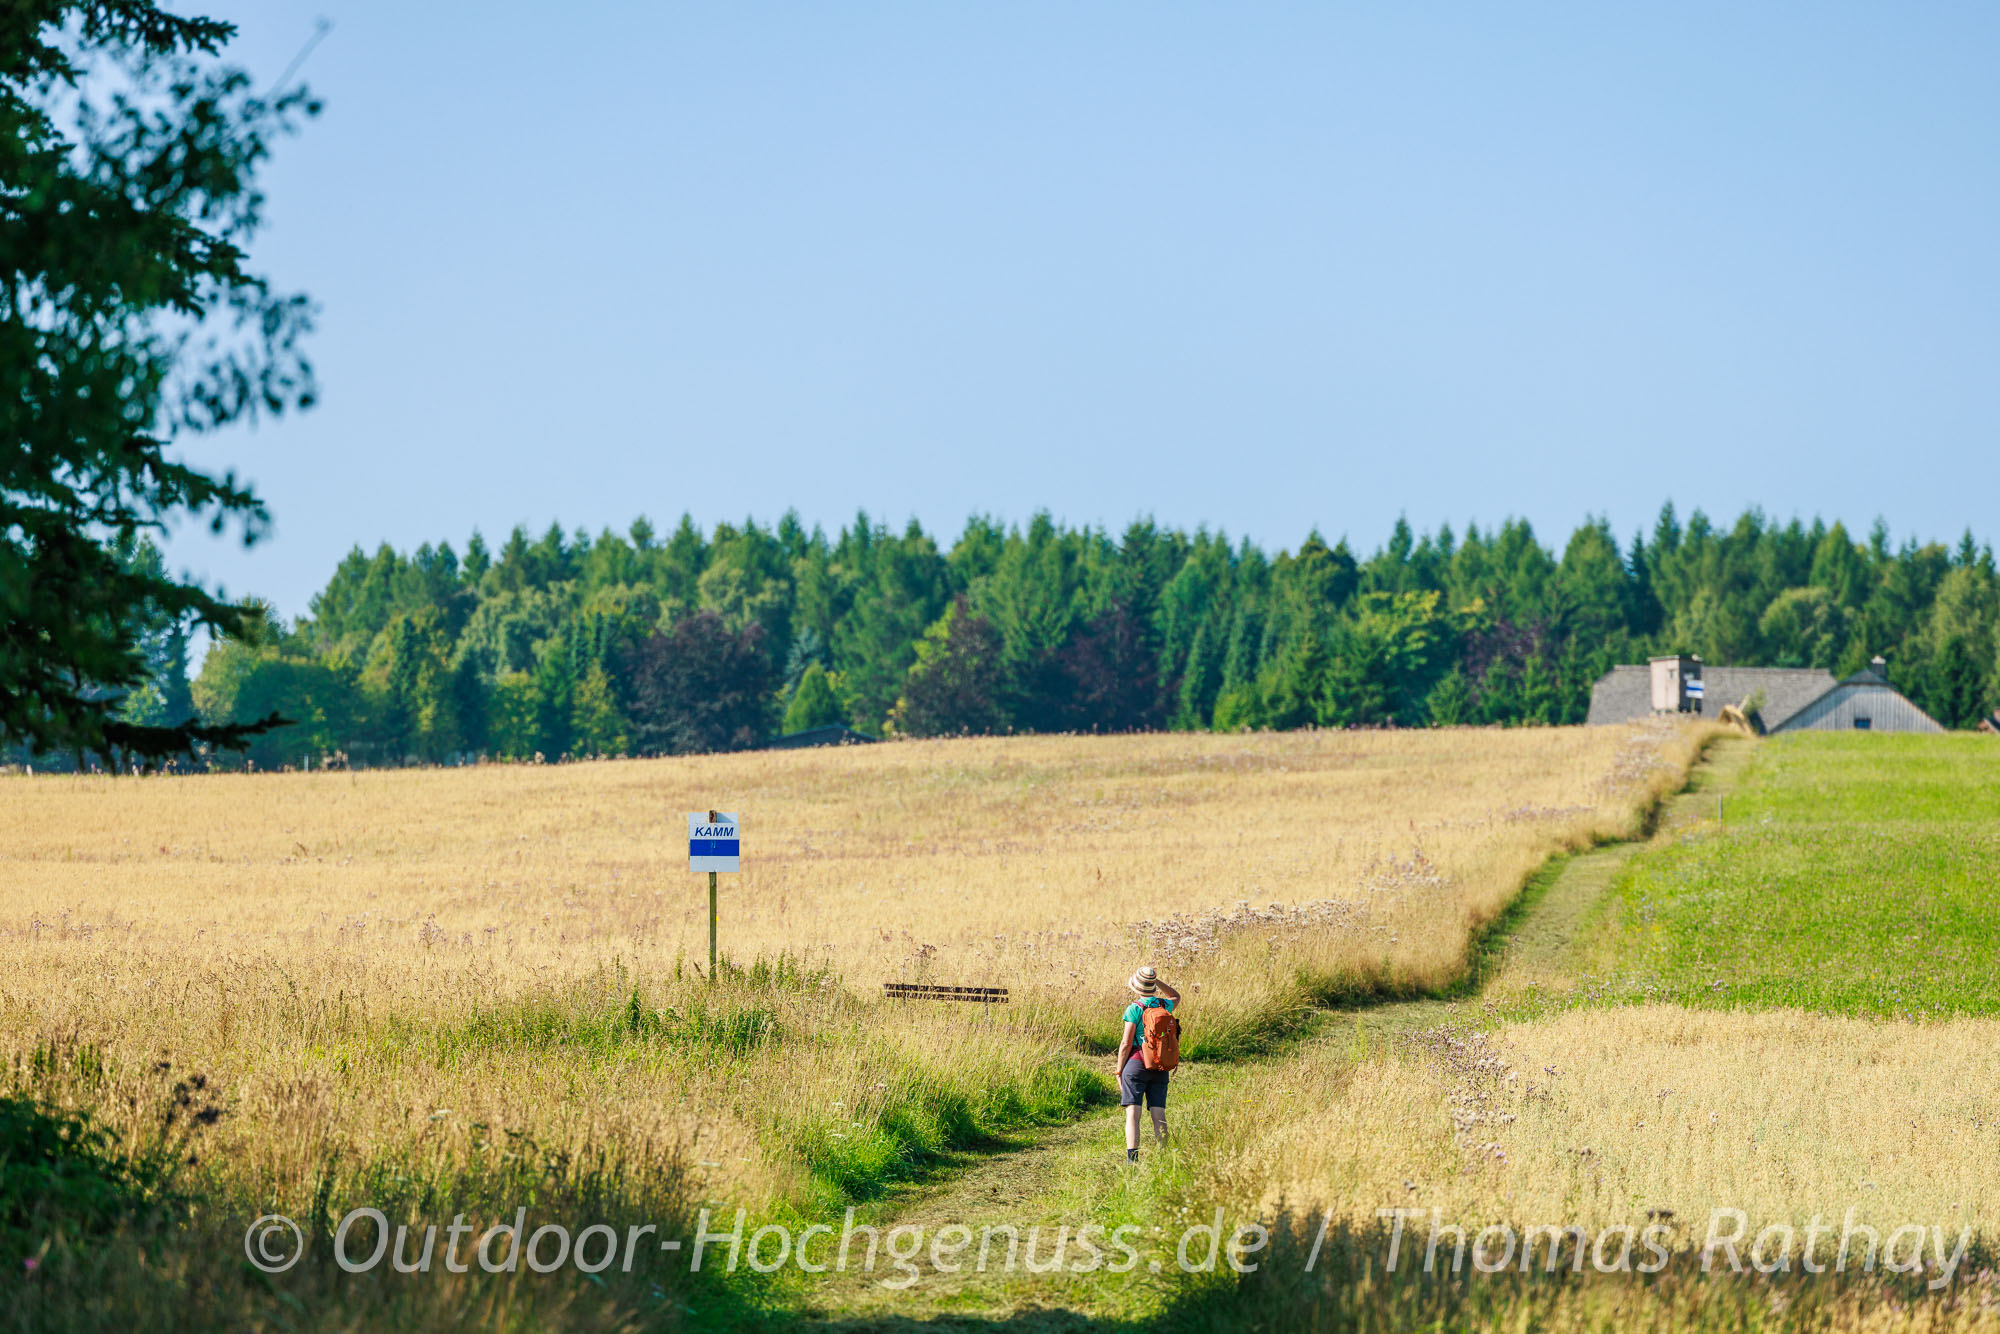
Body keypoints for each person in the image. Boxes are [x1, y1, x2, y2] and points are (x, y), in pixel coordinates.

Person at [1115, 964, 1180, 1163]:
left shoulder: (1134, 1008)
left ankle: (1132, 1159)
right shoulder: (1164, 1005)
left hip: (1136, 1064)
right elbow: (1176, 996)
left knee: (1133, 1113)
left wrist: (1119, 1070)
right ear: (1152, 987)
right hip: (1160, 1064)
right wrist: (1156, 981)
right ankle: (1163, 1157)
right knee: (1158, 1112)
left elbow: (1126, 1043)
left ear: (1136, 987)